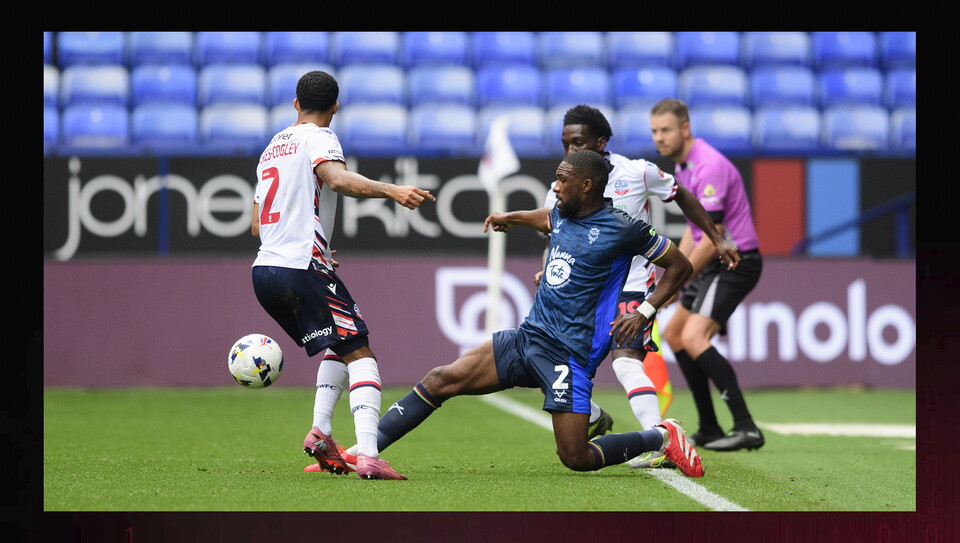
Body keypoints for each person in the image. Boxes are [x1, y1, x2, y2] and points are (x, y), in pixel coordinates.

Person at [331, 149, 705, 478]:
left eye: (562, 180)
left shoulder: (624, 229)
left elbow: (680, 266)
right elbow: (546, 217)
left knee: (575, 457)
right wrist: (513, 216)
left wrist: (643, 310)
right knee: (442, 378)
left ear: (587, 185)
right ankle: (362, 452)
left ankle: (661, 434)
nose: (555, 187)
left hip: (569, 355)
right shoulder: (562, 212)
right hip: (527, 338)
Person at [250, 70, 435, 480]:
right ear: (336, 107)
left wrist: (307, 238)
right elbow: (336, 179)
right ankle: (368, 454)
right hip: (302, 265)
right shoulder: (320, 137)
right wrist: (393, 191)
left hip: (265, 269)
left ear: (295, 104)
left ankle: (321, 431)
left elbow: (257, 226)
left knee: (339, 343)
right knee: (361, 351)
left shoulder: (271, 149)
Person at [535, 105, 741, 470]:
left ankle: (660, 439)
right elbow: (556, 239)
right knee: (543, 362)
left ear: (601, 142)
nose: (570, 151)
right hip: (582, 296)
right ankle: (596, 415)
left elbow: (682, 195)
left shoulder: (637, 172)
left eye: (578, 142)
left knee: (626, 363)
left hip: (631, 288)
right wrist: (546, 270)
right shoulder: (563, 185)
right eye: (565, 144)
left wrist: (715, 238)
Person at [649, 98, 765, 452]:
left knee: (695, 336)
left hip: (734, 261)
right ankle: (710, 426)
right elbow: (694, 232)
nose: (659, 138)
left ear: (685, 128)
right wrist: (673, 270)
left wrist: (676, 280)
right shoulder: (683, 167)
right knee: (674, 334)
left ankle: (746, 427)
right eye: (654, 131)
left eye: (665, 130)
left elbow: (712, 241)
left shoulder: (709, 166)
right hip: (711, 261)